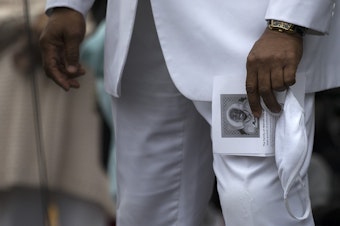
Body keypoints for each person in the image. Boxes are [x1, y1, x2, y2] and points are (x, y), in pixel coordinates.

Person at [39, 0, 340, 225]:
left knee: (255, 202)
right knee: (146, 209)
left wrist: (289, 21)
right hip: (142, 30)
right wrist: (68, 5)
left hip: (247, 37)